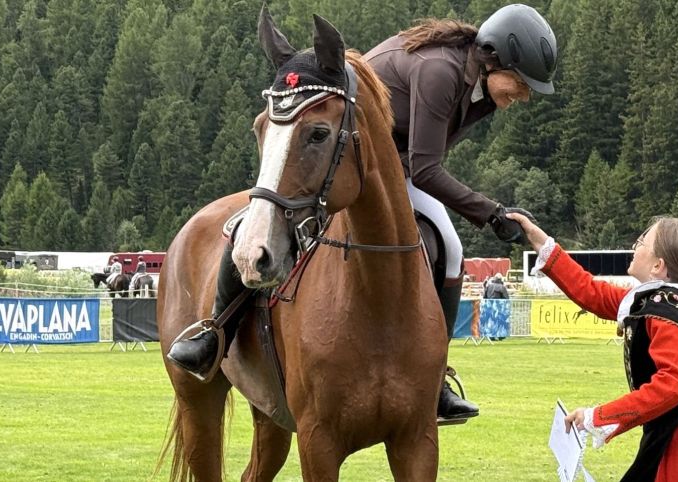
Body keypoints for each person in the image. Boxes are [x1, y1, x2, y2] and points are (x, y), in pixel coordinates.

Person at [167, 4, 557, 422]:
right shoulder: (439, 71)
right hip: (339, 153)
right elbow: (426, 169)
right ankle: (216, 331)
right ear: (492, 59)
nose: (522, 96)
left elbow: (417, 161)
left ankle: (434, 376)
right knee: (263, 217)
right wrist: (490, 213)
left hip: (388, 168)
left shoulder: (477, 88)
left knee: (451, 250)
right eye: (519, 83)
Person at [507, 213, 678, 481]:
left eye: (642, 242)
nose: (635, 246)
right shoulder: (656, 303)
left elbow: (674, 382)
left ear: (658, 266)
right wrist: (536, 237)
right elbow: (590, 292)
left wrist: (597, 416)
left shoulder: (669, 310)